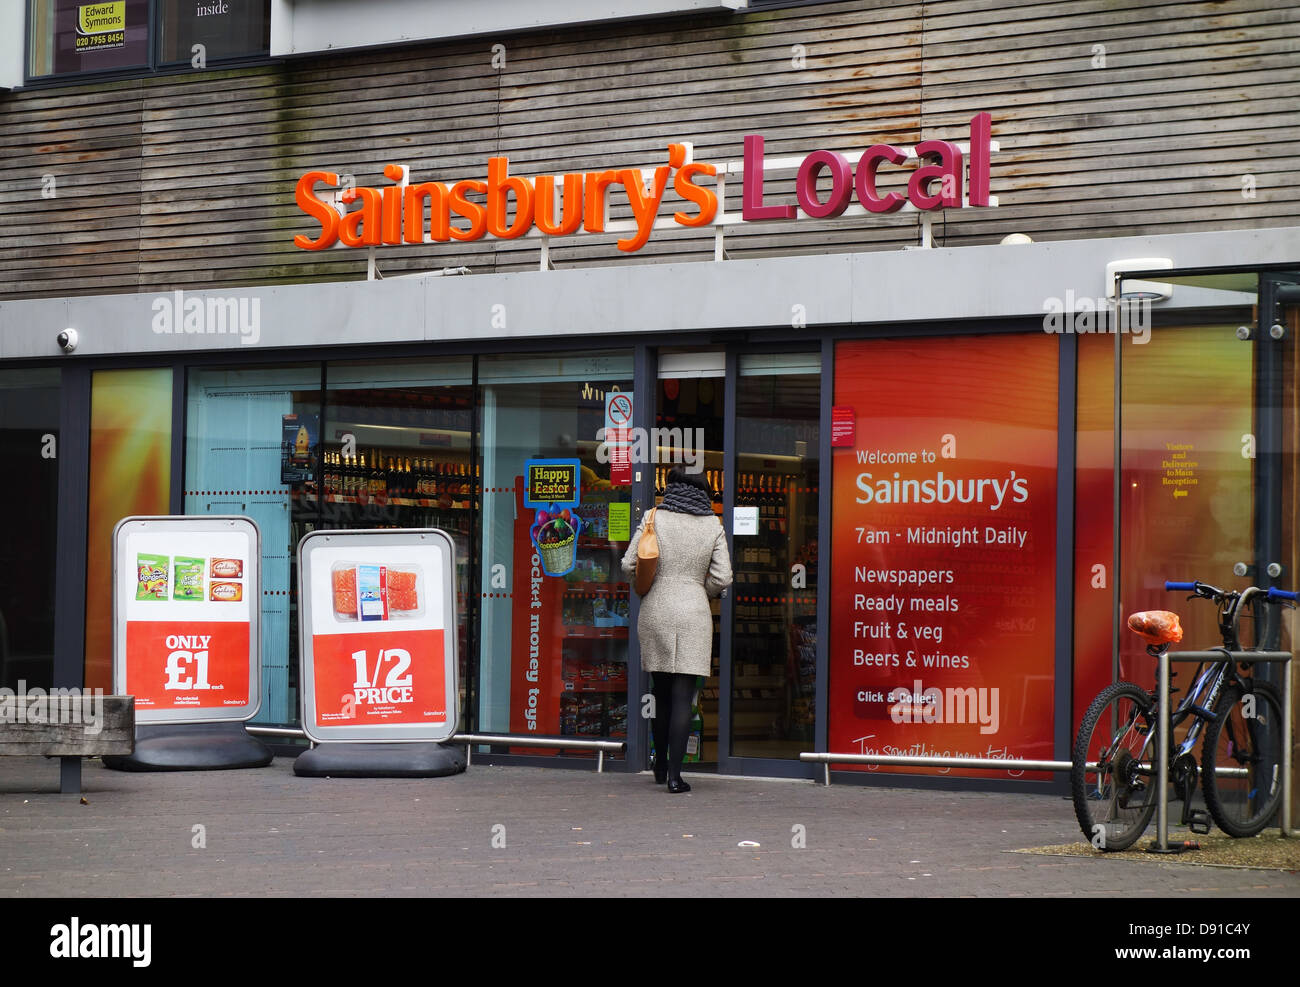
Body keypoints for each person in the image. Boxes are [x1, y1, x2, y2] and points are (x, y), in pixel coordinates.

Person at [621, 465, 732, 792]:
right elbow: (723, 577)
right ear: (703, 487)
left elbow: (629, 563)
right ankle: (674, 777)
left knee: (661, 693)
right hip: (693, 611)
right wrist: (701, 588)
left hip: (656, 608)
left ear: (671, 486)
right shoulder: (712, 524)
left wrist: (647, 584)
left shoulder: (655, 517)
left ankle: (658, 766)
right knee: (684, 697)